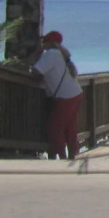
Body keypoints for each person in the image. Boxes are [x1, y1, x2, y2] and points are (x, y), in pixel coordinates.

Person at [33, 31, 83, 160]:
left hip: (65, 96)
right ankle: (72, 154)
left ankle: (61, 156)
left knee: (55, 127)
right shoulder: (61, 54)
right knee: (70, 126)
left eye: (45, 41)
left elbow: (37, 72)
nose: (42, 43)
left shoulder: (51, 54)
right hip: (75, 93)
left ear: (51, 43)